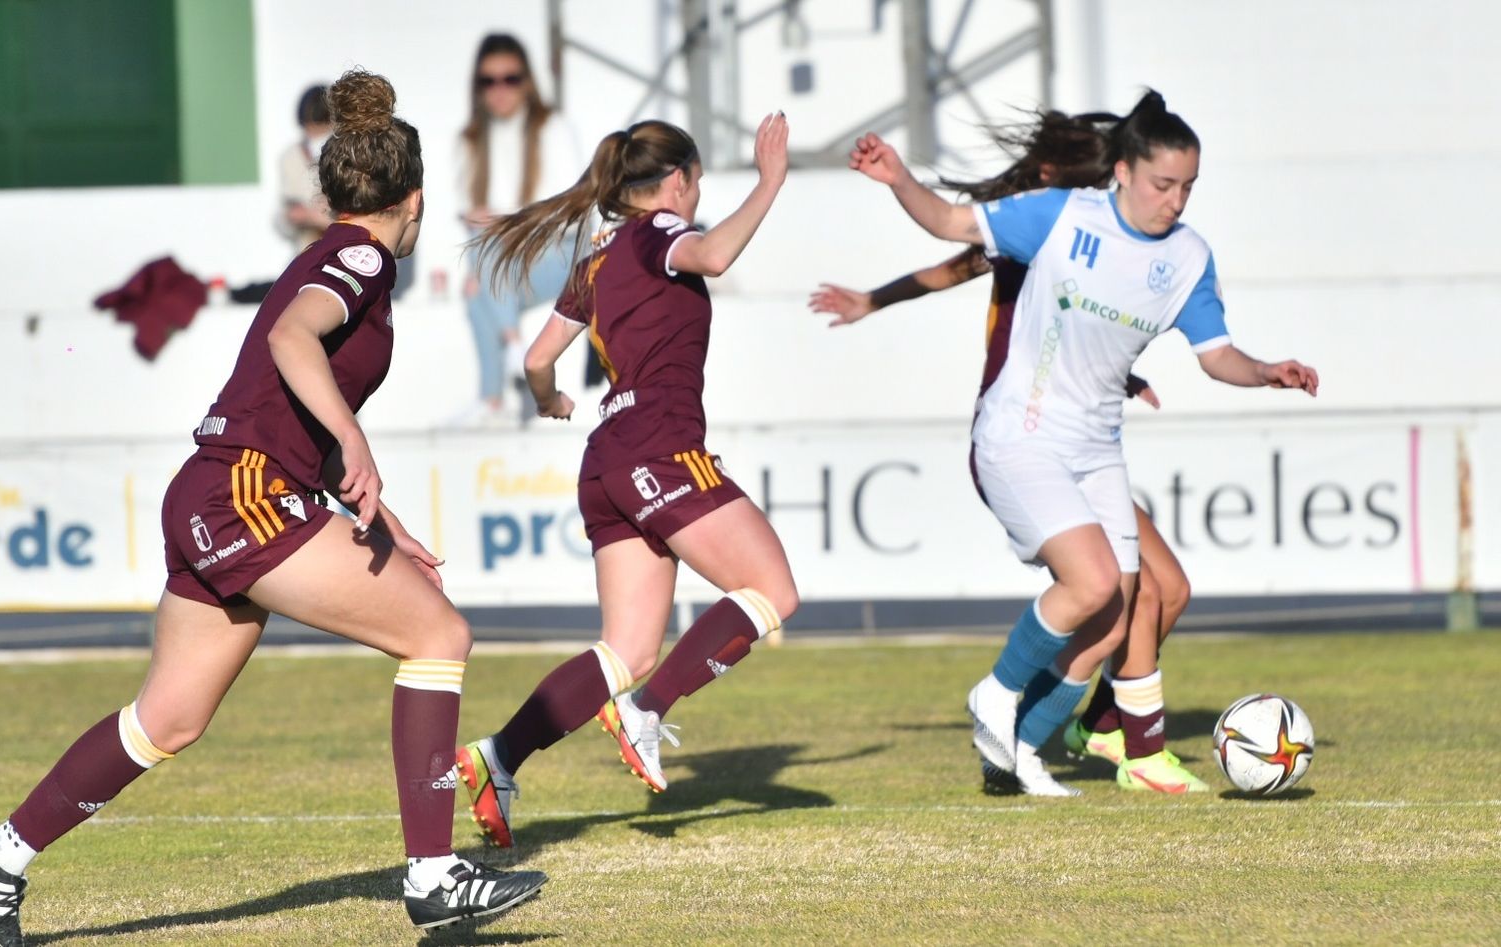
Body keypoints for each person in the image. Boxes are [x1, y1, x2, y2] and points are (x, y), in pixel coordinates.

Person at [0, 70, 546, 945]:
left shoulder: (331, 252)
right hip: (246, 496)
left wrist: (385, 521)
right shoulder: (365, 257)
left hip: (216, 489)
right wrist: (358, 440)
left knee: (170, 717)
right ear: (413, 200)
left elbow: (295, 394)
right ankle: (433, 874)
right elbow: (291, 339)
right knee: (438, 636)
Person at [846, 91, 1318, 796]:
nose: (1176, 200)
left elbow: (1216, 353)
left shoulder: (1188, 257)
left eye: (1188, 186)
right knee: (1093, 582)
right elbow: (950, 224)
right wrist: (899, 179)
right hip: (1022, 432)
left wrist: (1265, 372)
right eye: (1164, 184)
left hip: (1098, 447)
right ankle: (998, 693)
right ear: (1122, 171)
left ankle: (1024, 748)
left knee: (1118, 612)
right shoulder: (1063, 215)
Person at [810, 109, 1196, 793]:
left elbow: (1093, 328)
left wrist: (1122, 370)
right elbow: (948, 262)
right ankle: (1127, 741)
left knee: (1158, 591)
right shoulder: (1039, 232)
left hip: (1080, 433)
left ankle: (1075, 731)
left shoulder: (1108, 245)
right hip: (1029, 434)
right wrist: (873, 298)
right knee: (1139, 590)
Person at [453, 113, 797, 848]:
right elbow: (714, 254)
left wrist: (548, 401)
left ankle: (498, 756)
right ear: (676, 181)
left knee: (629, 648)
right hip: (660, 448)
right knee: (772, 590)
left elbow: (537, 359)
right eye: (695, 180)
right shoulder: (659, 235)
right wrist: (770, 183)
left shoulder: (596, 260)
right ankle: (647, 710)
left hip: (606, 460)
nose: (695, 193)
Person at [455, 33, 581, 427]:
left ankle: (506, 366)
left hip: (562, 250)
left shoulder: (553, 127)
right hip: (506, 260)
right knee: (477, 289)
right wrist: (493, 226)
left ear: (527, 80)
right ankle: (496, 397)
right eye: (489, 81)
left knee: (485, 264)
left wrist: (506, 222)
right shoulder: (472, 140)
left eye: (510, 78)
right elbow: (468, 213)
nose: (500, 90)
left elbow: (572, 208)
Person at [275, 84, 334, 255]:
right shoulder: (291, 158)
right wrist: (292, 217)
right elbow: (281, 219)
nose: (315, 137)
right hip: (307, 254)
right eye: (310, 129)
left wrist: (321, 218)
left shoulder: (350, 156)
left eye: (321, 129)